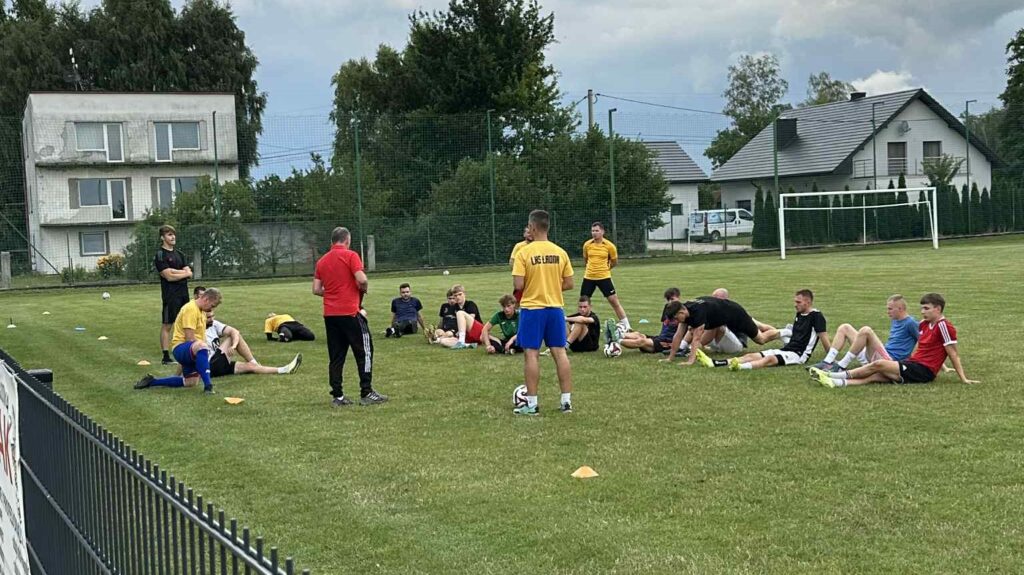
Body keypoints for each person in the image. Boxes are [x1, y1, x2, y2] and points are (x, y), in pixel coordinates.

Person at [811, 293, 979, 388]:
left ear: (938, 309)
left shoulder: (944, 326)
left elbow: (952, 353)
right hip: (913, 364)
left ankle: (832, 372)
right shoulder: (924, 324)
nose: (922, 312)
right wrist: (941, 366)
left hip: (923, 371)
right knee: (875, 376)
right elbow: (927, 348)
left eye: (926, 308)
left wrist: (963, 378)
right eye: (922, 308)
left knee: (878, 365)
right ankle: (835, 382)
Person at [313, 227, 387, 407]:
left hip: (330, 315)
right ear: (347, 240)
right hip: (350, 313)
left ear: (332, 241)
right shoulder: (351, 256)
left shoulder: (322, 261)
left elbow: (316, 289)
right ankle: (366, 392)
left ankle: (338, 396)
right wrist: (363, 288)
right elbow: (361, 279)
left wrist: (333, 294)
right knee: (365, 351)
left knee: (336, 356)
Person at [512, 209, 574, 415]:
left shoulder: (523, 253)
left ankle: (532, 404)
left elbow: (518, 285)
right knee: (560, 353)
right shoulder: (560, 252)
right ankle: (566, 402)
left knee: (531, 354)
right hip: (555, 308)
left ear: (532, 227)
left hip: (532, 309)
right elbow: (569, 283)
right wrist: (551, 287)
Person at [693, 289, 830, 370]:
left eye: (798, 302)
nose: (795, 305)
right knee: (752, 355)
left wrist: (829, 359)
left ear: (808, 302)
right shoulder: (800, 314)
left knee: (770, 359)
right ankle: (716, 363)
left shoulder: (816, 316)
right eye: (795, 301)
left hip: (799, 355)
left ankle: (740, 367)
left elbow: (824, 338)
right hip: (788, 349)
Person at [134, 287, 221, 393]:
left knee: (191, 382)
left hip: (191, 350)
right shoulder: (191, 309)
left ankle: (152, 382)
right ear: (206, 299)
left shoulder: (201, 311)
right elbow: (190, 338)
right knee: (202, 346)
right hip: (181, 348)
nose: (211, 309)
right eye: (212, 306)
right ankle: (208, 386)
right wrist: (203, 354)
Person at [811, 294, 919, 371]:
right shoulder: (896, 320)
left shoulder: (910, 323)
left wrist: (911, 360)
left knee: (866, 331)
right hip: (878, 356)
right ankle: (827, 362)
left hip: (889, 361)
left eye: (890, 309)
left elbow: (922, 341)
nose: (887, 312)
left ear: (900, 309)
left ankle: (842, 365)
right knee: (845, 327)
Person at [662, 296, 781, 366]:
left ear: (682, 312)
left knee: (760, 339)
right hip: (722, 317)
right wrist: (670, 358)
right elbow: (678, 335)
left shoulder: (698, 313)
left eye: (676, 318)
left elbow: (697, 339)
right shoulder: (684, 311)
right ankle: (784, 332)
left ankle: (785, 332)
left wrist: (690, 361)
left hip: (736, 314)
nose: (676, 321)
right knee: (760, 329)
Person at [205, 310, 302, 377]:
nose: (212, 319)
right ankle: (253, 361)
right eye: (208, 317)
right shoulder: (198, 330)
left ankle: (285, 369)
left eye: (213, 316)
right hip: (211, 365)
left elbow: (233, 331)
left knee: (251, 367)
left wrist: (234, 345)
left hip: (218, 365)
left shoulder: (214, 324)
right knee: (233, 337)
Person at [154, 225, 192, 364]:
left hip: (184, 294)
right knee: (167, 325)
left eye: (173, 234)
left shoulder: (180, 254)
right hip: (170, 295)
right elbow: (168, 276)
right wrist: (183, 273)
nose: (173, 237)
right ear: (162, 237)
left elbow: (189, 272)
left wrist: (176, 272)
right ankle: (166, 357)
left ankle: (189, 351)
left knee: (187, 323)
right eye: (169, 234)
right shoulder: (160, 255)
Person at [582, 222, 630, 331]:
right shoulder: (587, 245)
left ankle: (626, 325)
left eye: (597, 230)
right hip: (589, 277)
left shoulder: (609, 246)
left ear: (602, 232)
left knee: (614, 300)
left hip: (604, 277)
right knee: (583, 302)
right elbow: (586, 259)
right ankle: (582, 325)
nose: (594, 233)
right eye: (593, 231)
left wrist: (605, 269)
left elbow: (614, 261)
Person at [619, 287, 680, 354]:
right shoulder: (667, 307)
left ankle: (617, 340)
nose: (670, 302)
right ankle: (619, 334)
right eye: (668, 300)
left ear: (678, 297)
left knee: (642, 341)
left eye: (672, 299)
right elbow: (664, 327)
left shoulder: (681, 313)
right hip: (661, 338)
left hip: (668, 343)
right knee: (638, 335)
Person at [446, 285, 484, 350]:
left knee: (460, 313)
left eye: (460, 294)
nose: (458, 297)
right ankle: (468, 345)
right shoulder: (454, 307)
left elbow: (471, 319)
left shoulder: (470, 304)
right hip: (465, 335)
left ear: (464, 294)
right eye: (455, 295)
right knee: (443, 341)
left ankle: (461, 342)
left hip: (478, 331)